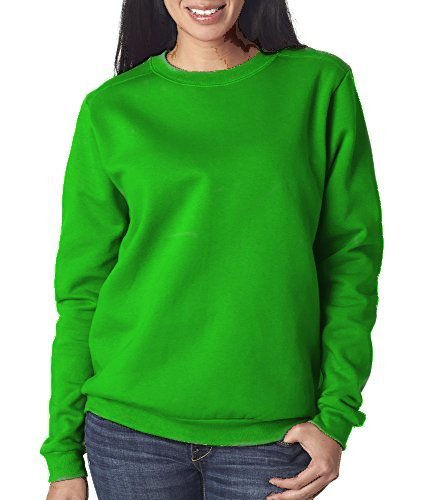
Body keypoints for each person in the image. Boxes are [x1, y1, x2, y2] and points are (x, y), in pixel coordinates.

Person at [40, 1, 384, 499]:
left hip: (272, 432)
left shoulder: (318, 85)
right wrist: (63, 458)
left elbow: (351, 260)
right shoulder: (111, 108)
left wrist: (336, 416)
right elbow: (82, 293)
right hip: (128, 433)